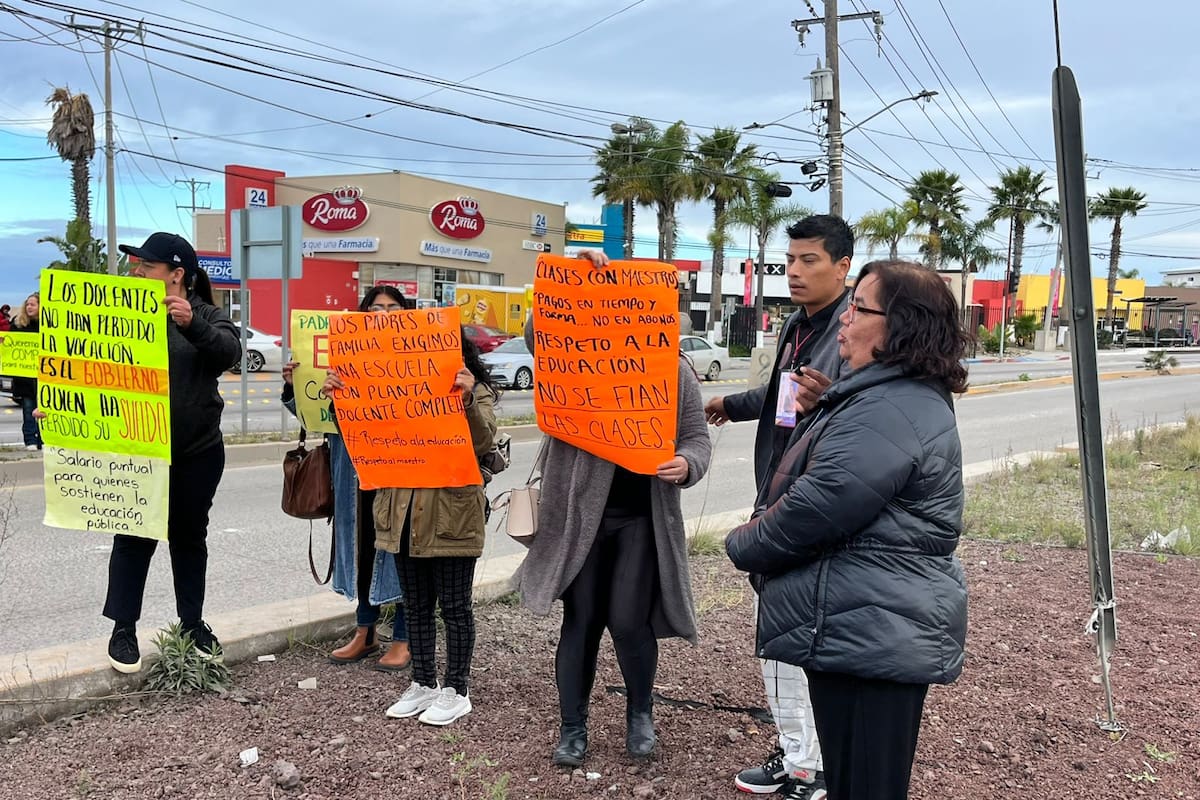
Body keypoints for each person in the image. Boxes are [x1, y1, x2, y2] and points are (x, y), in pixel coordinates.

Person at [725, 260, 971, 800]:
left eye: (859, 307)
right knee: (855, 779)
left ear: (901, 326)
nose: (845, 318)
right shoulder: (879, 395)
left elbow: (814, 509)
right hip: (864, 626)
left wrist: (741, 542)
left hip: (874, 632)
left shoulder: (888, 407)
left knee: (866, 784)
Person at [518, 253, 713, 767]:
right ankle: (572, 727)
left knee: (629, 621)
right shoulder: (573, 353)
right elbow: (540, 333)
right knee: (579, 621)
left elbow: (696, 438)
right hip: (577, 519)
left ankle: (640, 712)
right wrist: (580, 284)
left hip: (642, 518)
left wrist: (686, 463)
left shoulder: (674, 372)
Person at [706, 214, 854, 799]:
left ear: (842, 266)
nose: (794, 271)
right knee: (786, 638)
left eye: (809, 260)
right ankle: (800, 753)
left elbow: (869, 406)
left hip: (811, 507)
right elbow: (784, 401)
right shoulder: (801, 324)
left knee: (800, 636)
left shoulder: (851, 331)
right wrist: (729, 403)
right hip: (779, 497)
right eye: (790, 260)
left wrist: (834, 396)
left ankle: (812, 768)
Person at [324, 331, 499, 726]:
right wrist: (341, 400)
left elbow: (482, 440)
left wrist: (467, 397)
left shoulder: (475, 389)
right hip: (401, 514)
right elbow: (363, 436)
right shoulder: (395, 387)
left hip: (451, 517)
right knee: (416, 606)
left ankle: (457, 689)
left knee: (454, 608)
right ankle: (423, 683)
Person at [103, 233, 241, 673]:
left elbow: (229, 352)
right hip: (138, 449)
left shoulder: (204, 315)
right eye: (136, 265)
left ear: (177, 275)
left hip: (196, 451)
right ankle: (123, 628)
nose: (136, 272)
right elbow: (90, 369)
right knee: (132, 537)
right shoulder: (120, 315)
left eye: (147, 266)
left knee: (188, 538)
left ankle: (192, 624)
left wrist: (191, 324)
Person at [281, 285, 411, 671]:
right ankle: (365, 630)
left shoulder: (416, 357)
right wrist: (295, 385)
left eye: (392, 308)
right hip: (352, 471)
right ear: (362, 314)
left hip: (400, 469)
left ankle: (404, 636)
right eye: (375, 308)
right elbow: (312, 415)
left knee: (402, 549)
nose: (383, 314)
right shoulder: (341, 356)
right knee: (362, 546)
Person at [9, 293, 42, 451]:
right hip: (25, 376)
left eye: (33, 304)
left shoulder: (49, 325)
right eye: (28, 304)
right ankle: (30, 440)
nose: (29, 307)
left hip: (44, 376)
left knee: (44, 410)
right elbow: (9, 346)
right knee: (28, 409)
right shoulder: (17, 324)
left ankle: (43, 439)